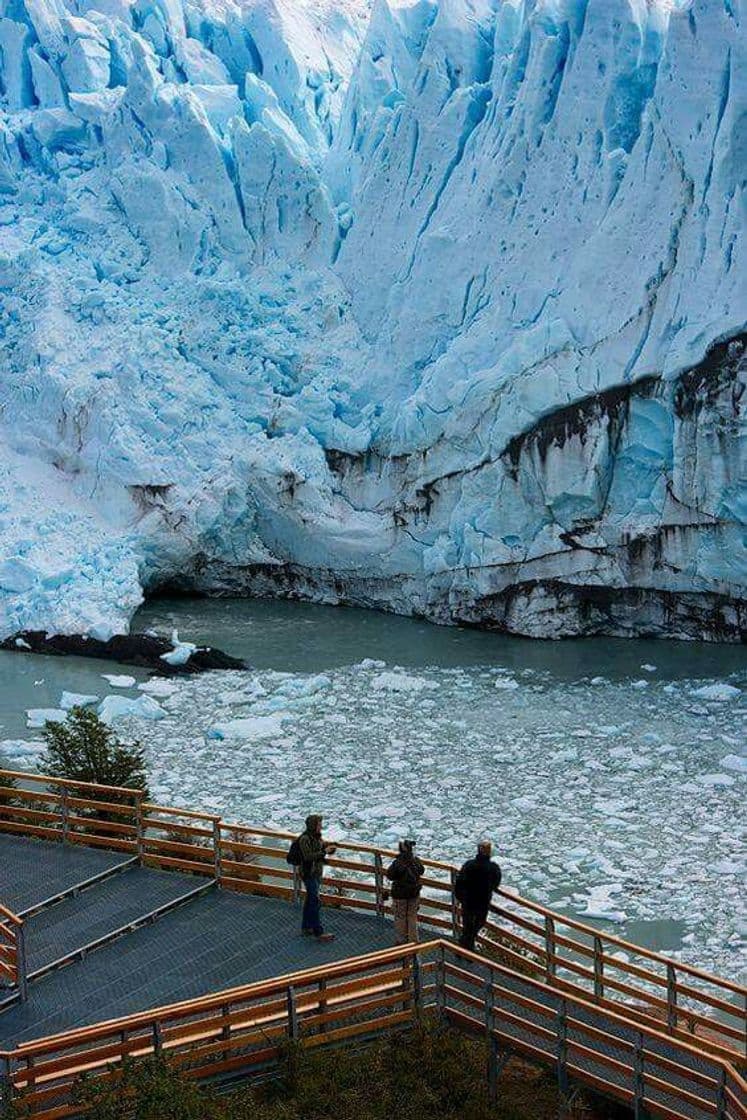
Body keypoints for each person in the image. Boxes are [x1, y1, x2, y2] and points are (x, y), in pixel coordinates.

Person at [454, 839, 502, 952]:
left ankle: (464, 946)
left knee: (467, 925)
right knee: (479, 923)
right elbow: (496, 883)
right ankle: (467, 947)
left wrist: (461, 898)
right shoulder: (493, 868)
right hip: (482, 902)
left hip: (468, 901)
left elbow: (459, 882)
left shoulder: (469, 865)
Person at [298, 814, 337, 942]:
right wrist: (325, 852)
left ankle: (306, 927)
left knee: (310, 900)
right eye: (319, 824)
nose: (321, 826)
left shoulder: (316, 837)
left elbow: (319, 849)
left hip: (315, 873)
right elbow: (308, 856)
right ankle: (318, 932)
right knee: (314, 901)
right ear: (313, 825)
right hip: (309, 873)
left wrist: (328, 848)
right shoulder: (305, 839)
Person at [386, 839, 425, 944]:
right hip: (414, 893)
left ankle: (401, 941)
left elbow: (390, 875)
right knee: (412, 916)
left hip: (400, 895)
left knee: (400, 916)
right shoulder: (415, 860)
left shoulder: (398, 862)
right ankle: (414, 940)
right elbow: (422, 870)